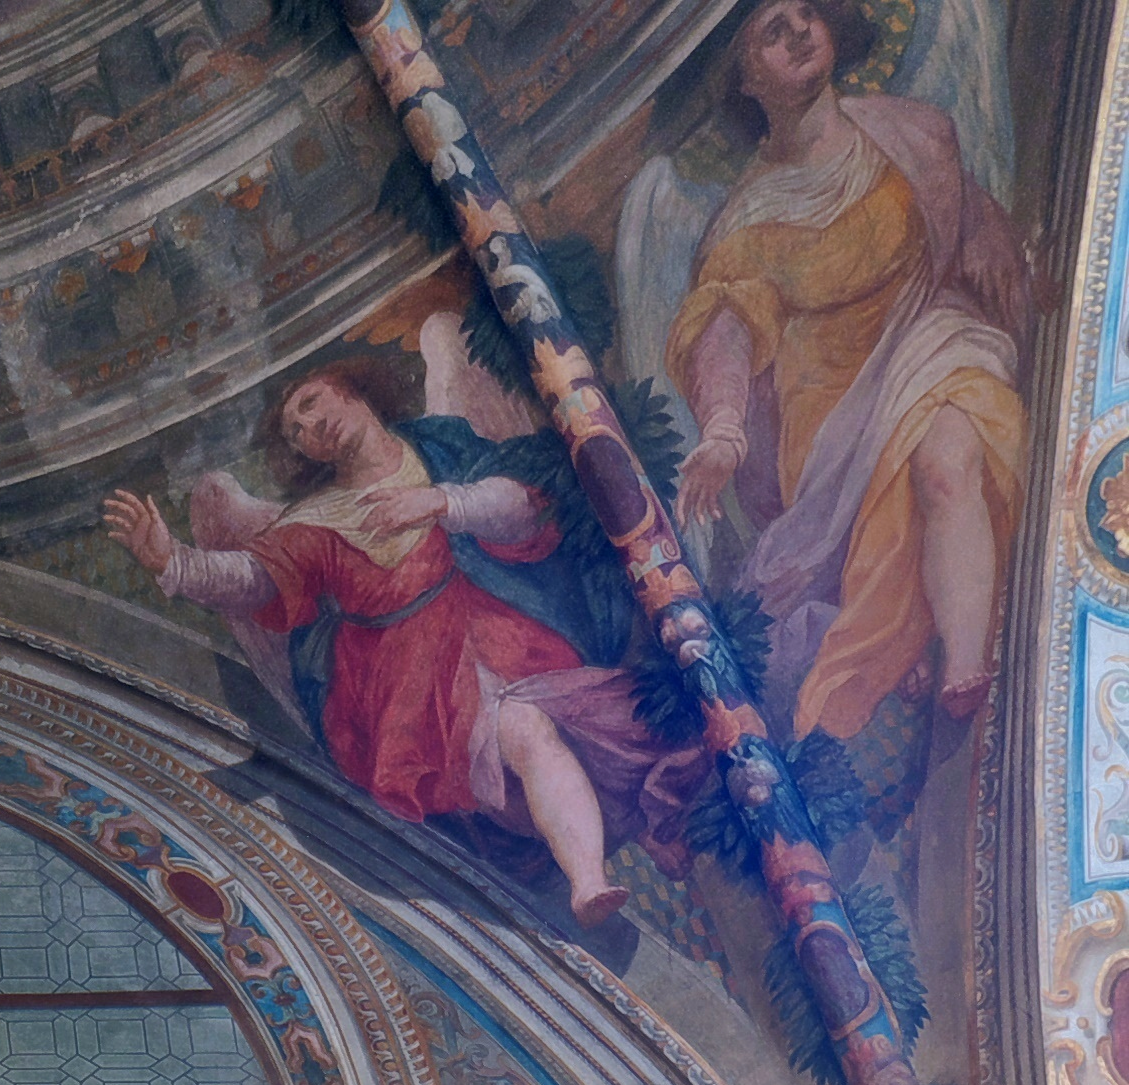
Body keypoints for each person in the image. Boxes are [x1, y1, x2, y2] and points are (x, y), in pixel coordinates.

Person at [103, 357, 706, 931]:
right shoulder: (314, 521)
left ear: (349, 387)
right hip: (413, 679)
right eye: (297, 432)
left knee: (594, 724)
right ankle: (587, 882)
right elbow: (250, 580)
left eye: (311, 405)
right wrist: (173, 562)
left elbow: (528, 504)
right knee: (525, 730)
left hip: (501, 629)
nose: (312, 427)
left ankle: (623, 842)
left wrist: (444, 501)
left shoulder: (436, 446)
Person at [664, 0, 1029, 733]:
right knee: (899, 492)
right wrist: (727, 428)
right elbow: (728, 330)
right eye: (772, 29)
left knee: (944, 462)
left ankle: (965, 658)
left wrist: (992, 236)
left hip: (934, 333)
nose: (799, 30)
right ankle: (914, 630)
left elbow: (956, 207)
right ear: (743, 79)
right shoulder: (742, 220)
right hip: (831, 414)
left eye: (807, 13)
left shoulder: (911, 130)